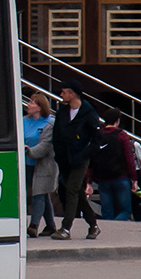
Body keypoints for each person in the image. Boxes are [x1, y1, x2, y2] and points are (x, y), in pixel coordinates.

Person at [50, 81, 101, 240]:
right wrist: (58, 154)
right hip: (65, 158)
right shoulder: (62, 112)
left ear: (73, 94)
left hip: (80, 158)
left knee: (71, 189)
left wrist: (87, 153)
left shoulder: (88, 112)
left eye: (64, 92)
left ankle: (66, 228)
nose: (61, 95)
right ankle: (93, 224)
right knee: (76, 191)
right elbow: (57, 135)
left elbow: (97, 137)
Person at [88, 107, 139, 222]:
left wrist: (89, 181)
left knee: (107, 211)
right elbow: (129, 158)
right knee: (125, 210)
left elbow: (91, 159)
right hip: (120, 177)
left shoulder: (97, 135)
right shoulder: (122, 135)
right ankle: (117, 225)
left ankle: (109, 229)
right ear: (118, 120)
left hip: (102, 178)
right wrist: (134, 179)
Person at [23, 93, 58, 238]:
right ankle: (50, 225)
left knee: (38, 192)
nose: (28, 105)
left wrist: (29, 150)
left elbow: (45, 145)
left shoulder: (50, 123)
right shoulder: (24, 120)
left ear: (39, 107)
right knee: (42, 193)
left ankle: (34, 225)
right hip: (26, 163)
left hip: (44, 163)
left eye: (31, 102)